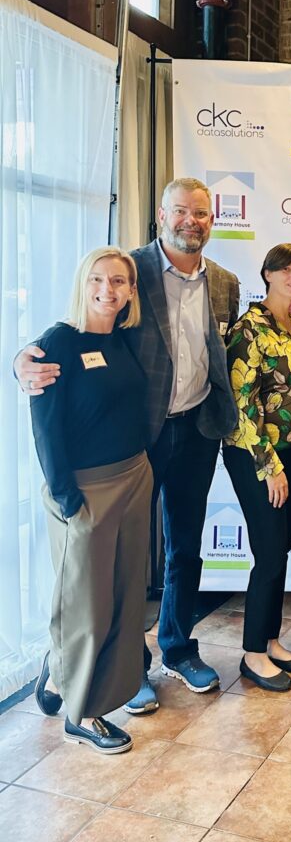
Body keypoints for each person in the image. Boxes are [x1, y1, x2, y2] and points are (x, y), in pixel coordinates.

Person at [17, 178, 239, 711]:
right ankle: (127, 666)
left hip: (198, 429)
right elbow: (82, 322)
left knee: (186, 544)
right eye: (180, 211)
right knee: (126, 555)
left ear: (213, 220)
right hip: (138, 437)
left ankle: (178, 647)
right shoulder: (130, 270)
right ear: (161, 215)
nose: (191, 221)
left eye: (201, 213)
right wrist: (24, 355)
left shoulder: (226, 282)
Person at [30, 247, 152, 754]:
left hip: (134, 478)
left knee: (124, 599)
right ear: (83, 283)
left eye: (120, 281)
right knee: (87, 604)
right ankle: (83, 713)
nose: (109, 290)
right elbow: (45, 428)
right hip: (85, 490)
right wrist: (64, 495)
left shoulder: (124, 339)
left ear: (130, 291)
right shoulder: (56, 343)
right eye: (98, 280)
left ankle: (70, 677)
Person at [223, 243, 291, 692]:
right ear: (267, 274)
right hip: (256, 456)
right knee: (267, 553)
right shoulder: (249, 328)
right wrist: (269, 466)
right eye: (286, 270)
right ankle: (252, 654)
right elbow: (242, 406)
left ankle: (271, 638)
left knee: (278, 549)